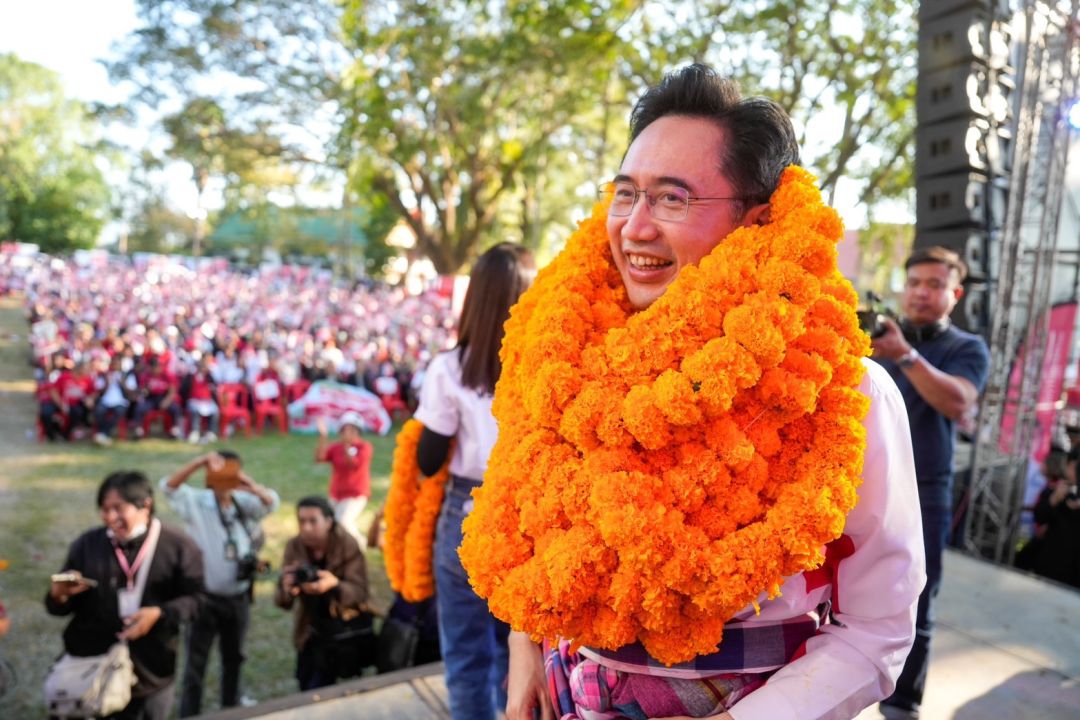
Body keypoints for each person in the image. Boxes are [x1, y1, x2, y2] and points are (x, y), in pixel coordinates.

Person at [494, 65, 925, 720]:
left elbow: (878, 631)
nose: (635, 228)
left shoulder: (844, 391)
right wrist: (524, 644)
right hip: (566, 692)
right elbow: (533, 524)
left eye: (672, 199)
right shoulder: (561, 368)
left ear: (756, 220)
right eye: (625, 194)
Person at [414, 242, 535, 720]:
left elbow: (428, 461)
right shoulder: (544, 367)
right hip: (529, 521)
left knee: (466, 658)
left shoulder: (450, 369)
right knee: (524, 660)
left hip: (467, 517)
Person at [872, 246, 990, 719]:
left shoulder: (966, 347)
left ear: (955, 294)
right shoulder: (875, 339)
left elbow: (958, 402)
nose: (921, 293)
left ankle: (901, 706)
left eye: (935, 285)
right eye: (915, 282)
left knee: (915, 599)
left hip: (925, 492)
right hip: (861, 486)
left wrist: (905, 356)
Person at [45, 471, 205, 719]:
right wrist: (59, 595)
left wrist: (160, 614)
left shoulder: (177, 546)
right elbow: (59, 608)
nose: (110, 517)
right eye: (104, 509)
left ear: (145, 505)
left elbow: (198, 600)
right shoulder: (88, 544)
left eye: (118, 508)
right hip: (93, 670)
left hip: (151, 671)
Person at [161, 452, 280, 717]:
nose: (224, 479)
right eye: (218, 473)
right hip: (204, 597)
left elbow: (271, 502)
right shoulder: (197, 502)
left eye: (230, 472)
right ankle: (190, 713)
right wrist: (199, 462)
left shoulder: (244, 501)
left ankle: (231, 708)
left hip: (238, 596)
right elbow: (169, 487)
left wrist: (245, 483)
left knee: (234, 657)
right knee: (196, 662)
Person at [275, 496, 370, 691]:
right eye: (301, 521)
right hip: (310, 628)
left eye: (313, 521)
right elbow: (282, 600)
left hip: (344, 628)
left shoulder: (346, 544)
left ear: (329, 522)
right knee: (307, 684)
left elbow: (360, 592)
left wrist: (334, 585)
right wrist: (288, 589)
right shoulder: (294, 546)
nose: (306, 528)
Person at [314, 412, 373, 547]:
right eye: (346, 429)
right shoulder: (336, 447)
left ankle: (360, 544)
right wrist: (323, 437)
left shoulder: (364, 447)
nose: (348, 433)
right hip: (336, 494)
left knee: (344, 521)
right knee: (329, 523)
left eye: (352, 429)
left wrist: (346, 446)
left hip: (356, 494)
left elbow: (353, 465)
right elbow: (319, 458)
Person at [1030, 444, 1080, 588]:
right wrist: (1054, 499)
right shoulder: (1057, 489)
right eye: (1073, 467)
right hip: (1052, 565)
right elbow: (1039, 516)